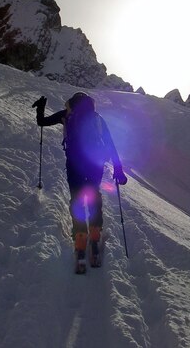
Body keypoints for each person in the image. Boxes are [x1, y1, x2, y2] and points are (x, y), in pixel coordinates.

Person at [32, 92, 127, 270]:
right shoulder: (97, 119)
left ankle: (81, 239)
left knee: (77, 198)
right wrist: (118, 169)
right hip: (94, 165)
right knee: (92, 196)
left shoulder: (66, 115)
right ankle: (95, 237)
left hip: (74, 164)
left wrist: (40, 109)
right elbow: (110, 144)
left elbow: (42, 122)